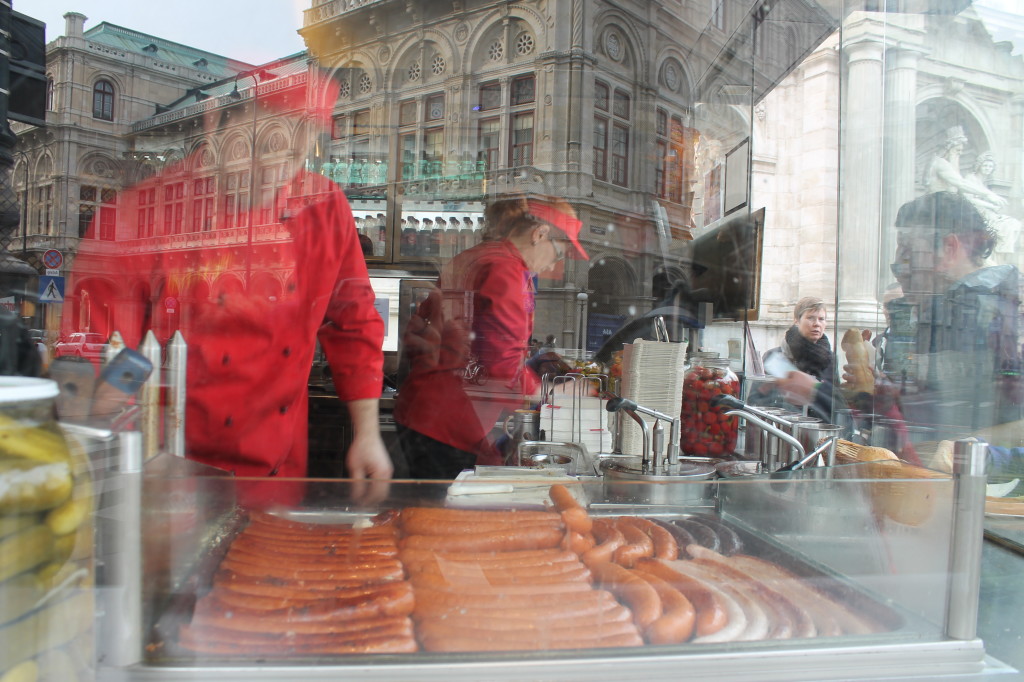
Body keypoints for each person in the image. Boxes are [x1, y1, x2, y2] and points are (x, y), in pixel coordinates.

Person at [62, 72, 392, 501]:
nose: (278, 167)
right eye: (263, 143)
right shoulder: (138, 213)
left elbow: (354, 323)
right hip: (168, 466)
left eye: (296, 149)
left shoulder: (325, 208)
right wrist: (137, 456)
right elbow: (103, 353)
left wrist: (367, 433)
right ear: (217, 128)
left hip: (277, 469)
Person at [394, 194, 588, 479]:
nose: (552, 266)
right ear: (540, 234)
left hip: (426, 410)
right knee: (444, 517)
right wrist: (556, 392)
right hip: (450, 422)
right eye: (558, 253)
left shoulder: (477, 256)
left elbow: (422, 329)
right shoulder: (507, 270)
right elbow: (502, 366)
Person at [759, 296, 839, 422]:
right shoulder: (775, 356)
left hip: (819, 428)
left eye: (821, 319)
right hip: (784, 427)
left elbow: (834, 399)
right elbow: (757, 399)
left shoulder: (830, 358)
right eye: (810, 318)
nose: (817, 323)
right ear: (797, 321)